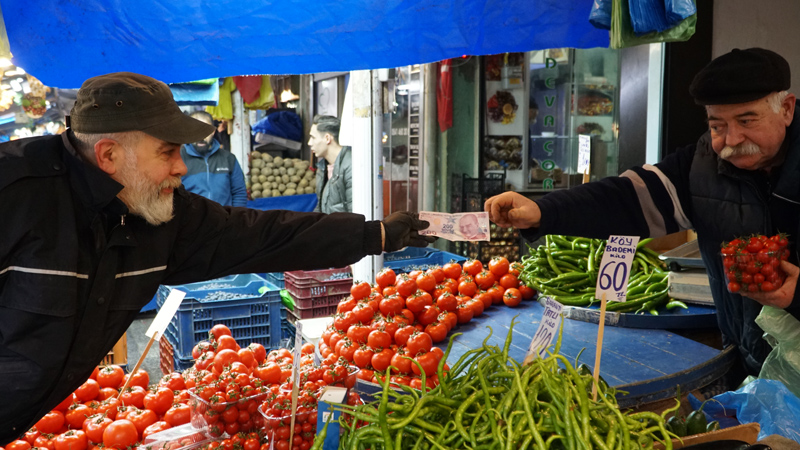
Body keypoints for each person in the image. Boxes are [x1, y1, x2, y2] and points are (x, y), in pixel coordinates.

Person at [0, 72, 434, 443]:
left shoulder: (159, 215)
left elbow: (260, 235)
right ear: (109, 155)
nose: (182, 167)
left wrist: (372, 234)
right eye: (167, 152)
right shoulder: (15, 196)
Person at [485, 48, 800, 381]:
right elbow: (627, 199)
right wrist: (543, 210)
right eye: (717, 125)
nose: (732, 139)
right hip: (748, 365)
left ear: (787, 109)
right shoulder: (702, 166)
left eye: (747, 121)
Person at [180, 111, 248, 207]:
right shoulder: (179, 159)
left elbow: (239, 193)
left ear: (213, 131)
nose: (201, 137)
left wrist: (234, 219)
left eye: (205, 130)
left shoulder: (228, 159)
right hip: (191, 221)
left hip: (224, 220)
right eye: (195, 130)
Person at [309, 115, 352, 213]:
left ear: (327, 138)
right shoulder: (322, 167)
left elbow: (356, 215)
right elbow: (320, 208)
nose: (309, 143)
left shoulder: (350, 166)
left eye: (313, 137)